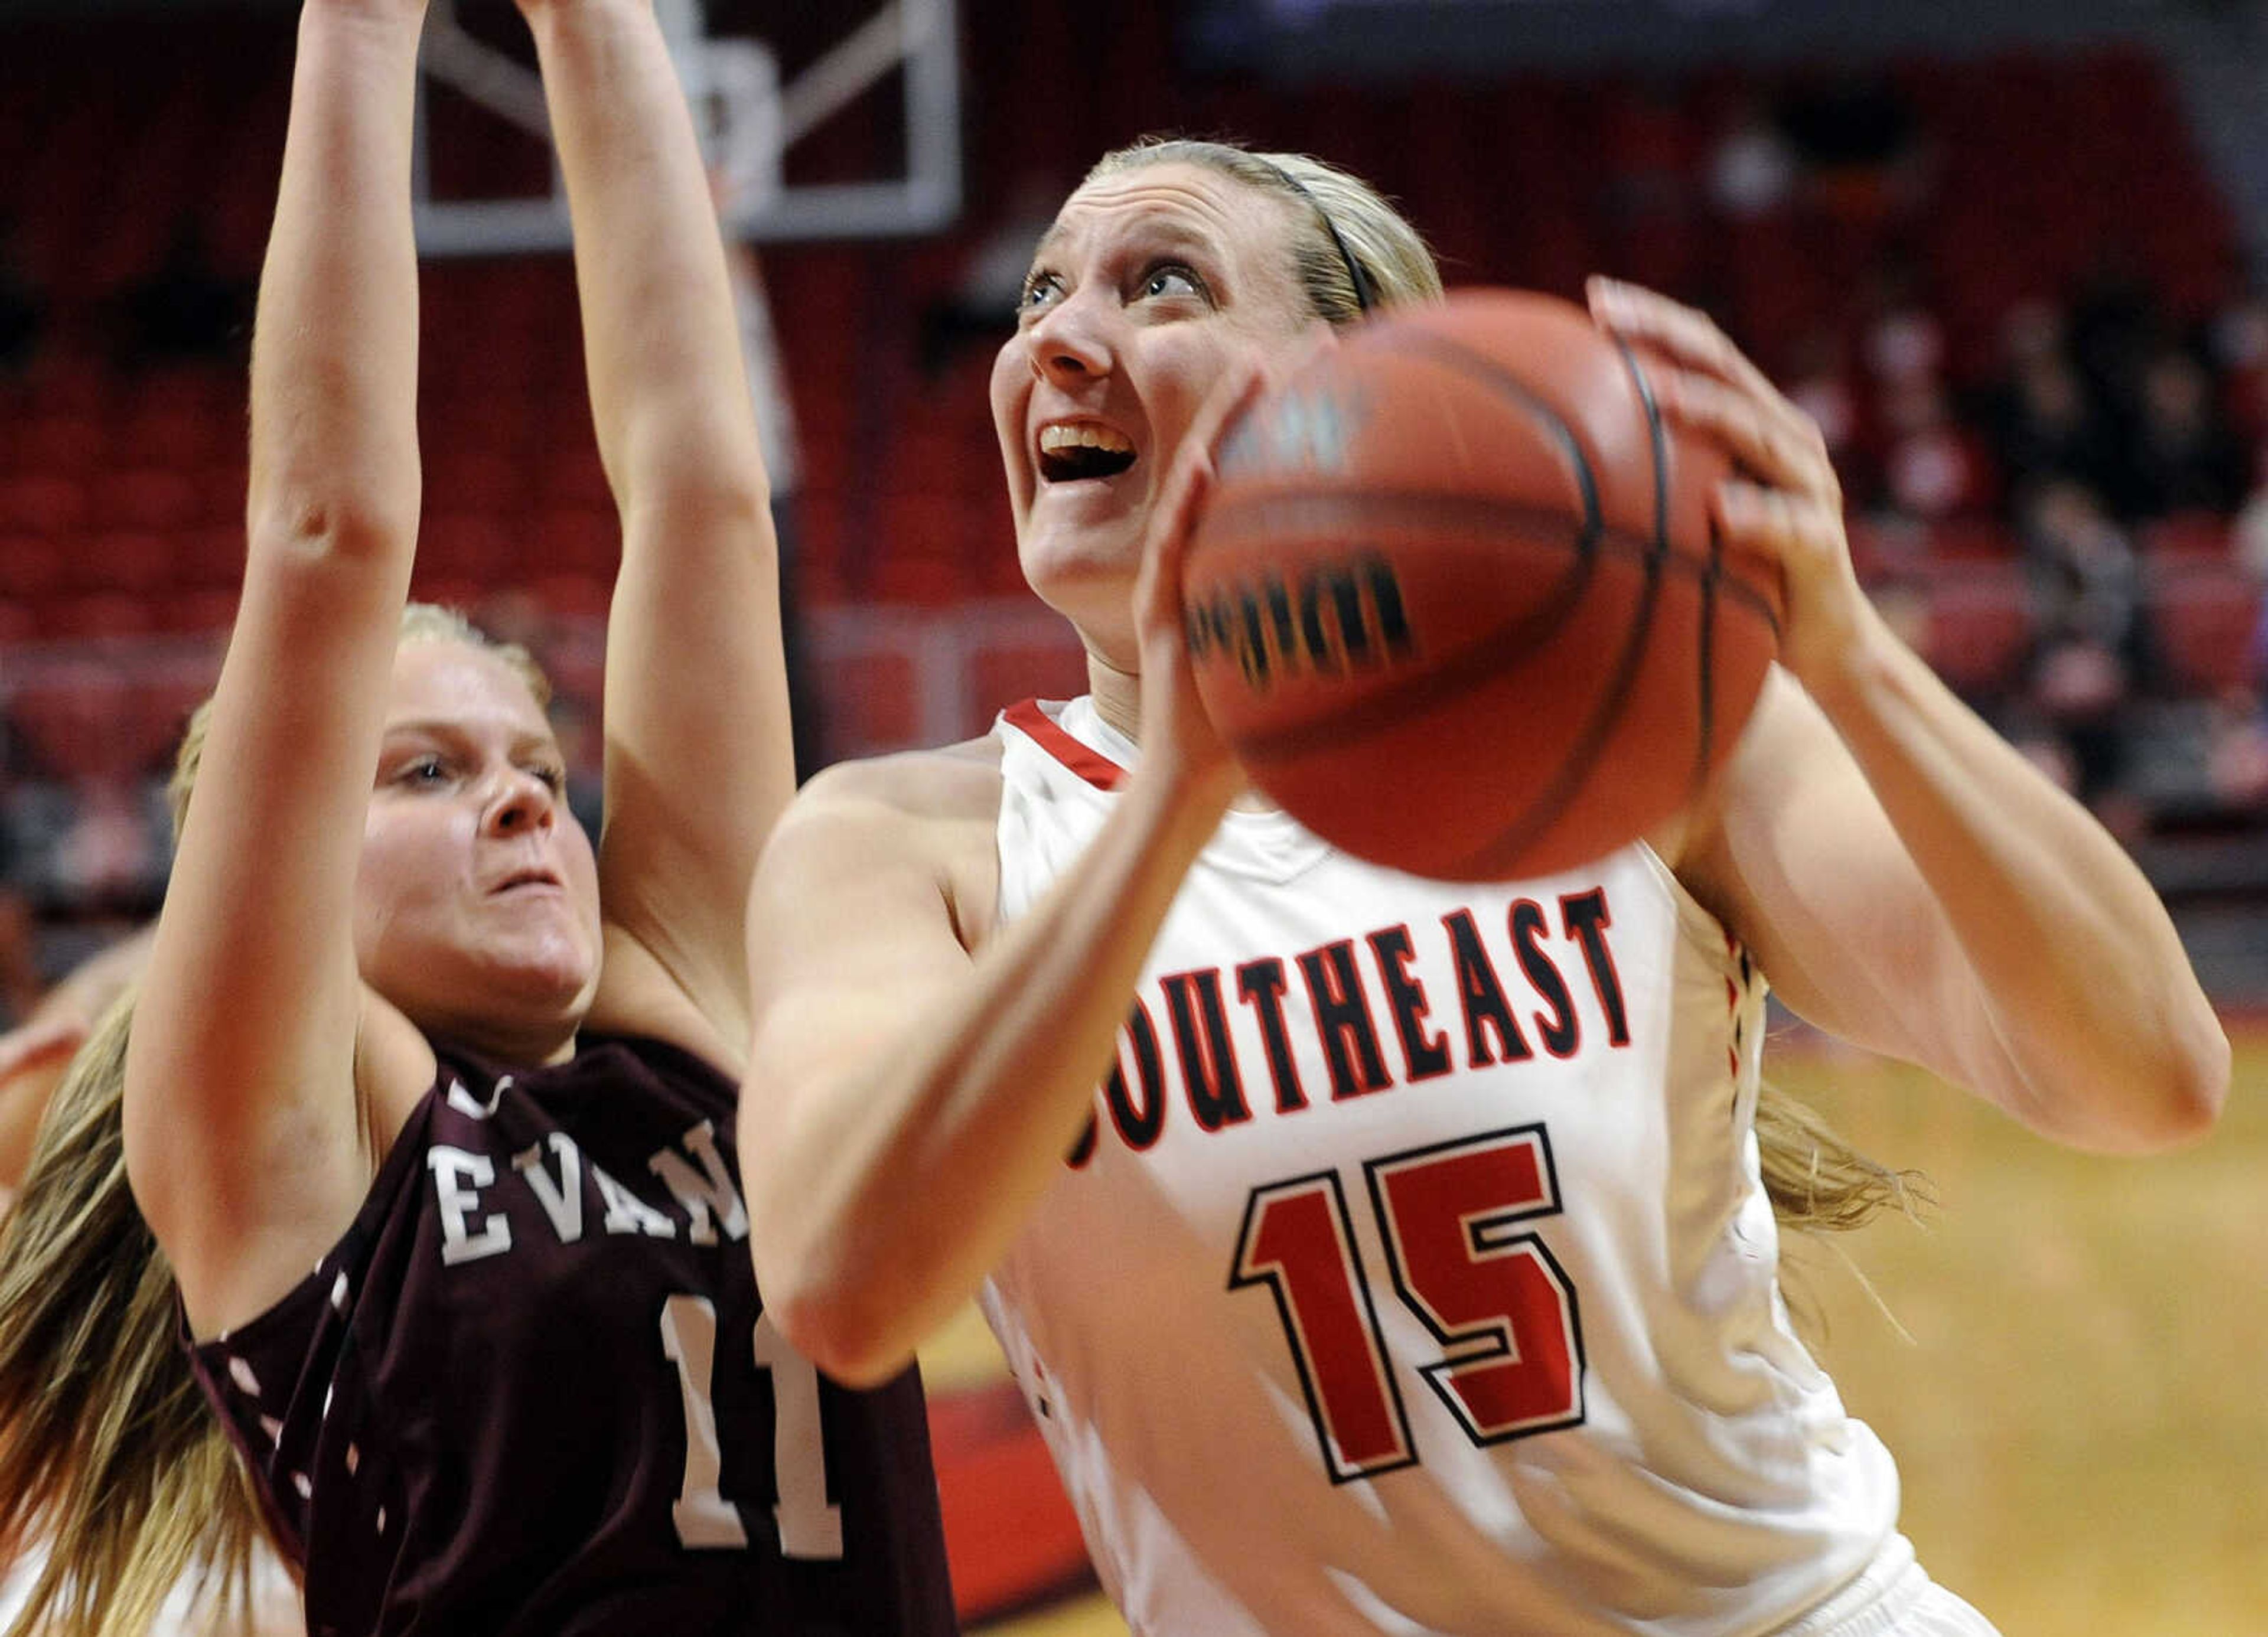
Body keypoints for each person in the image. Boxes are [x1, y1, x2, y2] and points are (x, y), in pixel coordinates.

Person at [737, 136, 2229, 1636]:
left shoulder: (1637, 735)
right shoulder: (898, 845)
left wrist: (1843, 649)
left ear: (1350, 381)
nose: (1056, 338)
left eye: (1161, 284)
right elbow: (845, 1288)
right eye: (1041, 295)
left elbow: (2145, 1074)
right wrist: (1178, 802)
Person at [0, 0, 957, 1632]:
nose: (522, 790)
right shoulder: (288, 1153)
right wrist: (360, 30)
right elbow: (328, 530)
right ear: (278, 850)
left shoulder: (694, 1023)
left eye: (535, 758)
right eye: (427, 769)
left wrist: (594, 21)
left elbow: (702, 491)